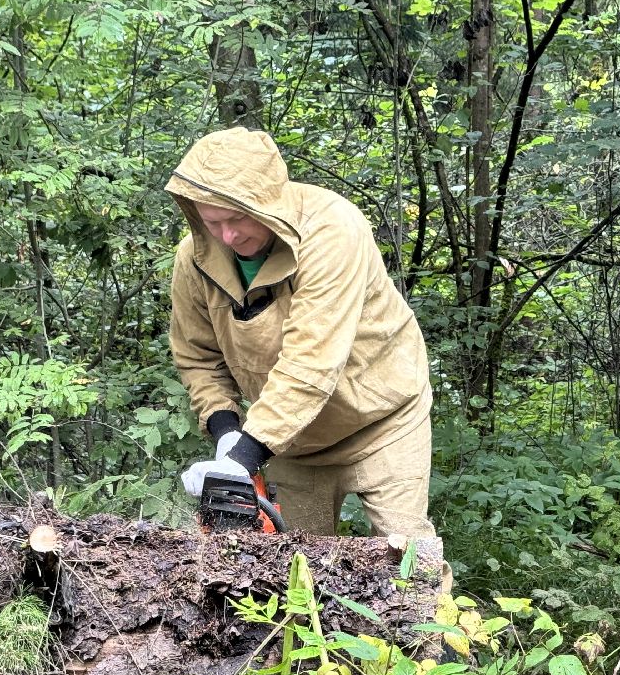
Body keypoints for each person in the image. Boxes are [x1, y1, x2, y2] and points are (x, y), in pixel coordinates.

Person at [166, 127, 437, 542]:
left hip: (382, 420)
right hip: (289, 438)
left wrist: (246, 455)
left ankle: (425, 610)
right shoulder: (196, 258)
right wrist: (226, 434)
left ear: (268, 201)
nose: (228, 236)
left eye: (237, 218)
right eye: (212, 221)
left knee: (406, 555)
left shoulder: (331, 230)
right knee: (292, 569)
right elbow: (198, 357)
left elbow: (312, 360)